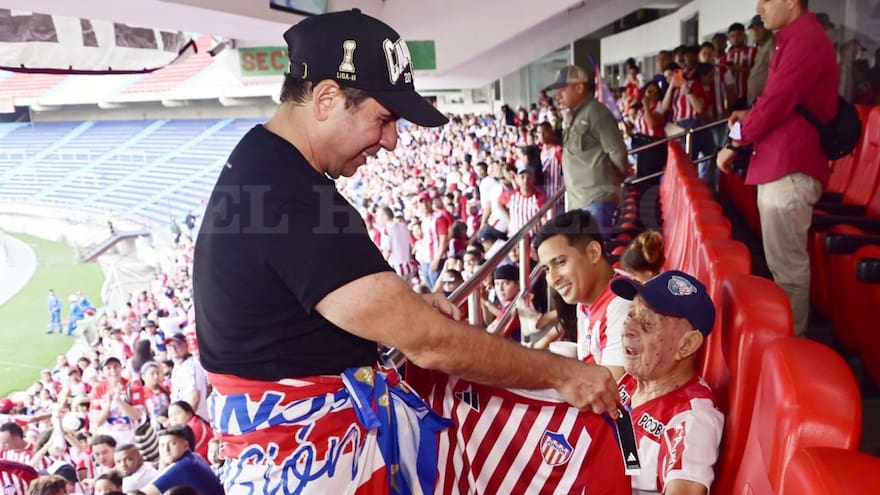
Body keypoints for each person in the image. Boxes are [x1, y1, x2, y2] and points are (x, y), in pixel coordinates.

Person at [193, 9, 619, 495]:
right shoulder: (289, 197)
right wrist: (566, 375)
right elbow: (431, 342)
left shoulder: (264, 165)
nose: (392, 141)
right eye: (384, 119)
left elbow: (312, 295)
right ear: (327, 98)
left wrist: (405, 304)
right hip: (310, 468)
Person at [717, 1, 837, 336]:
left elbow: (777, 101)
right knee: (781, 267)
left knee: (788, 271)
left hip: (791, 167)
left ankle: (790, 350)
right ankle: (786, 345)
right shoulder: (791, 39)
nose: (760, 7)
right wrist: (748, 119)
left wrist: (735, 142)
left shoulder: (805, 40)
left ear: (790, 2)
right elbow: (777, 101)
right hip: (779, 166)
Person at [611, 270, 725, 495]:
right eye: (630, 315)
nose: (627, 329)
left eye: (646, 324)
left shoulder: (691, 418)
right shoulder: (633, 382)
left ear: (687, 345)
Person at [534, 210, 630, 381]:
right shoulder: (585, 299)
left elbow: (609, 393)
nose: (553, 279)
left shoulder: (622, 306)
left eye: (560, 262)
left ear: (593, 253)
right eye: (547, 269)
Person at [543, 64, 628, 234]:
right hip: (579, 200)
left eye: (562, 89)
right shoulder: (575, 115)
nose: (558, 95)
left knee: (597, 251)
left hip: (597, 198)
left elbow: (617, 151)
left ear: (580, 87)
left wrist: (617, 176)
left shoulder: (596, 112)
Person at [142, 426, 222, 495]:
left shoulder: (183, 466)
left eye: (172, 443)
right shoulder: (193, 457)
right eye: (162, 445)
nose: (166, 449)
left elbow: (141, 494)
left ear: (185, 445)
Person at [163, 333, 209, 421]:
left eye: (177, 344)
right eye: (169, 346)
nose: (173, 348)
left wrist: (185, 422)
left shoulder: (191, 365)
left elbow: (194, 397)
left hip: (195, 419)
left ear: (186, 345)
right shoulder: (178, 366)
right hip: (182, 417)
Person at [747, 14, 775, 105]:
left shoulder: (772, 44)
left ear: (766, 27)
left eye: (757, 29)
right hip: (757, 99)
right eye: (753, 30)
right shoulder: (762, 46)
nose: (755, 32)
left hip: (765, 100)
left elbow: (775, 71)